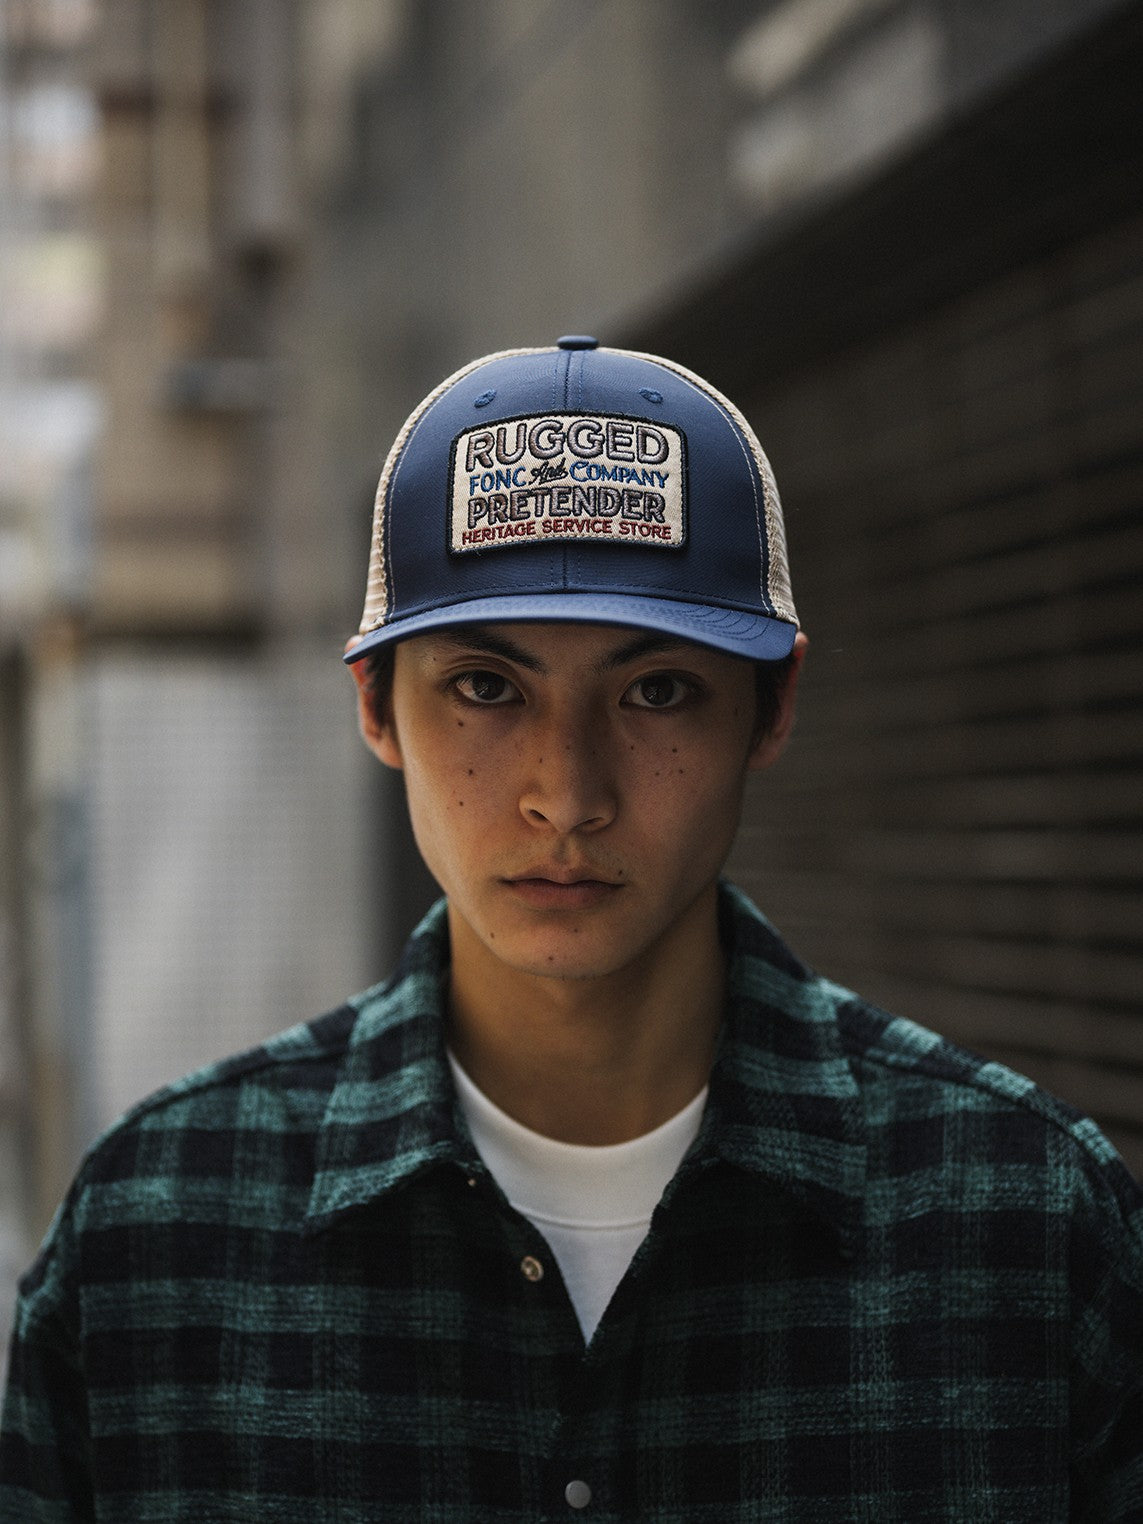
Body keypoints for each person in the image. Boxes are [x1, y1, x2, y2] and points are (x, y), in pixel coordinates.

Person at [1, 336, 1140, 1521]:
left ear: (773, 706)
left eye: (657, 691)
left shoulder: (1030, 1227)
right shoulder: (157, 1238)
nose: (567, 792)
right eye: (486, 687)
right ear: (377, 708)